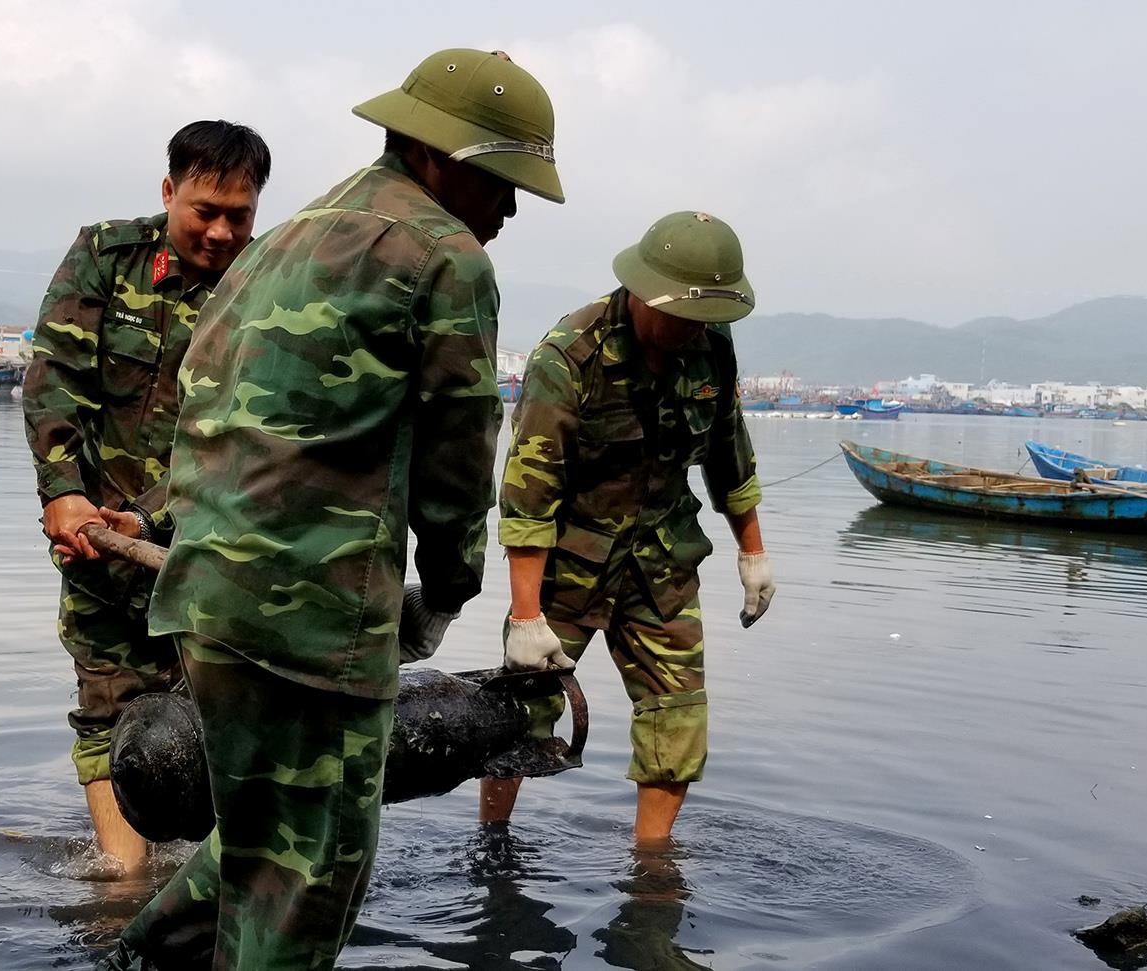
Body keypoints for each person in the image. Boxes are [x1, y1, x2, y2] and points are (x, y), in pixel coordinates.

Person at [101, 48, 564, 970]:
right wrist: (447, 592)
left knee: (260, 833)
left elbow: (205, 406)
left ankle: (137, 960)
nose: (509, 211)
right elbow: (459, 456)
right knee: (314, 874)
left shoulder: (286, 237)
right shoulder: (444, 256)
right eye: (502, 182)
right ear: (440, 155)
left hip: (207, 598)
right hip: (311, 624)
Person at [478, 211, 777, 844]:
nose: (693, 331)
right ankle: (492, 842)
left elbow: (730, 453)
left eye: (705, 318)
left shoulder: (710, 347)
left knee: (678, 717)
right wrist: (526, 617)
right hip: (567, 563)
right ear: (644, 291)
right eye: (683, 316)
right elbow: (529, 496)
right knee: (521, 712)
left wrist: (752, 552)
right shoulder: (569, 357)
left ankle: (653, 866)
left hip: (663, 563)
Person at [20, 121, 270, 871]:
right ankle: (121, 888)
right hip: (98, 545)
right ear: (169, 191)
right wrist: (64, 492)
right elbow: (55, 378)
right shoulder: (107, 256)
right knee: (109, 712)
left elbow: (248, 436)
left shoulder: (268, 290)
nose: (221, 232)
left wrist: (154, 517)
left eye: (239, 216)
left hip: (214, 554)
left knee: (220, 722)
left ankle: (201, 879)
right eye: (205, 210)